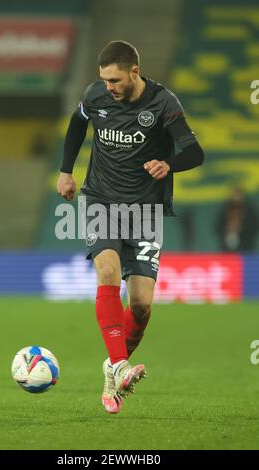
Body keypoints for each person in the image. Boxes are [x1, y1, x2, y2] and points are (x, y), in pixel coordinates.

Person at [57, 40, 204, 414]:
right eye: (104, 80)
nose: (109, 87)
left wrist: (169, 163)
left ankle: (112, 369)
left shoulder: (163, 103)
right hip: (101, 200)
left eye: (115, 80)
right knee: (107, 272)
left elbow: (194, 151)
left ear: (134, 72)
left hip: (145, 212)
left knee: (140, 306)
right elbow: (77, 124)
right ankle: (121, 365)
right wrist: (65, 171)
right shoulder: (96, 96)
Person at [215, 187, 258, 252]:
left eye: (239, 195)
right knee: (228, 260)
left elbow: (254, 226)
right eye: (235, 195)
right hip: (227, 244)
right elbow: (218, 226)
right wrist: (227, 230)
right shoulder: (225, 209)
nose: (237, 197)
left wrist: (242, 229)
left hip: (245, 244)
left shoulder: (249, 210)